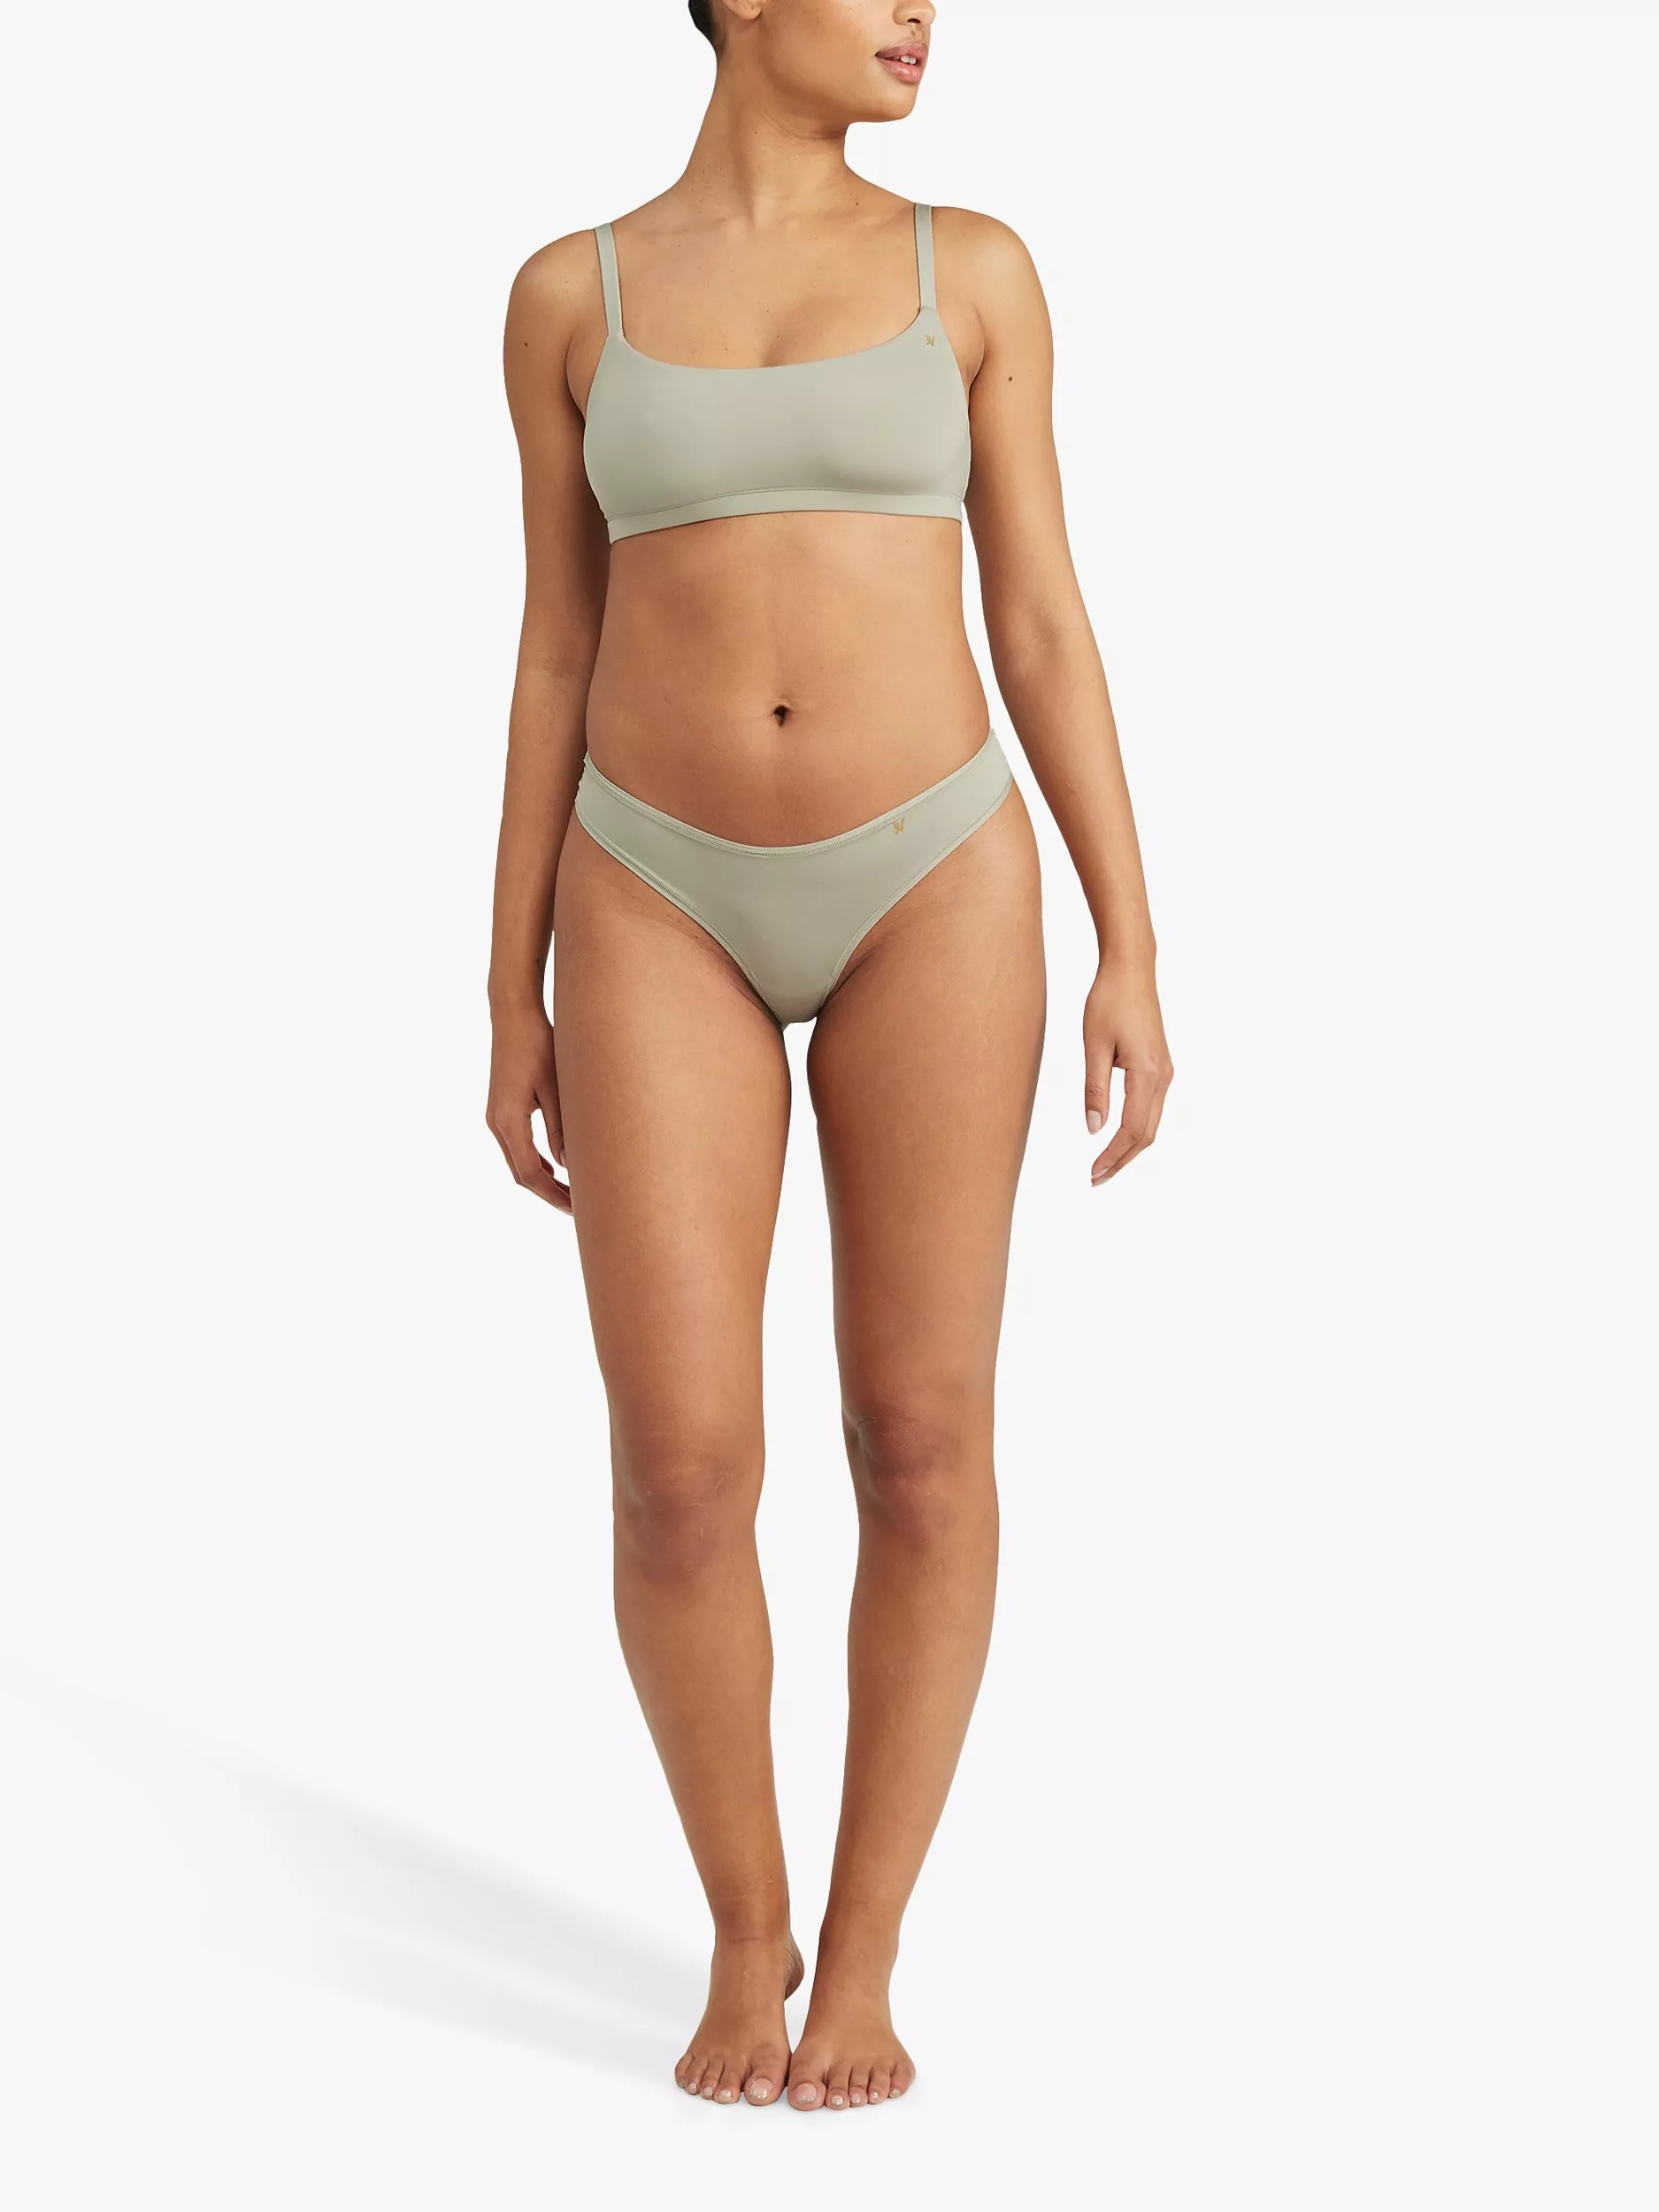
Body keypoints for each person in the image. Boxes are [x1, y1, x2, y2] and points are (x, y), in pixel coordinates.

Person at [486, 0, 1172, 2113]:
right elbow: (556, 643)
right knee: (680, 1467)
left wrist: (1131, 938)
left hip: (932, 873)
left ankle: (863, 1943)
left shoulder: (974, 270)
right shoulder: (569, 295)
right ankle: (745, 1923)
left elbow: (1039, 618)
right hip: (650, 885)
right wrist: (507, 983)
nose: (917, 14)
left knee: (919, 1434)